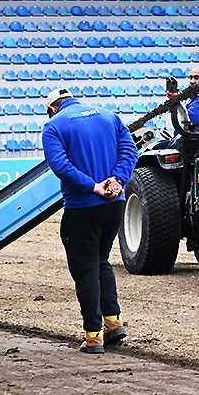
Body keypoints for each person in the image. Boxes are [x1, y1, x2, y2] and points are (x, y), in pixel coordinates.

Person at [42, 87, 139, 355]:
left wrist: (92, 186)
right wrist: (117, 181)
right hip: (114, 205)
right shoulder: (109, 116)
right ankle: (113, 322)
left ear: (52, 108)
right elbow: (130, 152)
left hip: (82, 207)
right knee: (101, 261)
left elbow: (60, 166)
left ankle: (93, 336)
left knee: (85, 270)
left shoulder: (54, 126)